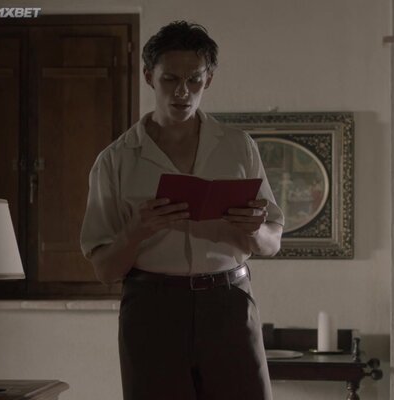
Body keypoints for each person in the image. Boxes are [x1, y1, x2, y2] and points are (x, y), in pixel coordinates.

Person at [80, 20, 284, 400]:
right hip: (152, 307)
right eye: (170, 79)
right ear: (148, 76)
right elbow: (104, 270)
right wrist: (137, 230)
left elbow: (272, 243)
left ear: (209, 79)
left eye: (194, 80)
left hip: (229, 303)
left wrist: (255, 229)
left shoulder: (238, 147)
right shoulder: (115, 160)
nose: (182, 92)